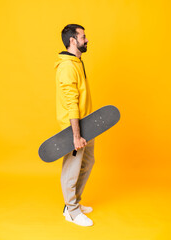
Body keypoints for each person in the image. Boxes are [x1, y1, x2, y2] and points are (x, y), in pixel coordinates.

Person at [54, 24, 95, 227]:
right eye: (83, 37)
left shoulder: (77, 62)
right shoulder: (67, 67)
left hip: (87, 124)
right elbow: (71, 103)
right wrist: (76, 135)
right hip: (74, 128)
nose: (86, 40)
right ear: (73, 40)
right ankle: (71, 211)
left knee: (87, 163)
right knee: (72, 168)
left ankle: (73, 203)